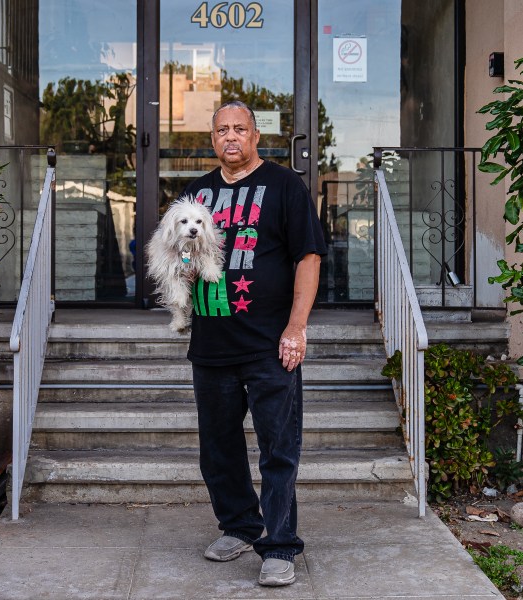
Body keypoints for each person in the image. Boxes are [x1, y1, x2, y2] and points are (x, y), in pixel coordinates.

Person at [181, 100, 327, 587]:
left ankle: (280, 545)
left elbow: (308, 257)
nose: (230, 137)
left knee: (278, 449)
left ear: (255, 135)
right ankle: (239, 525)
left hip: (269, 345)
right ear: (212, 138)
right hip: (212, 344)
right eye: (222, 129)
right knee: (217, 449)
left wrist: (296, 327)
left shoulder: (284, 185)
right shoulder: (197, 194)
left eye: (239, 129)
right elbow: (178, 248)